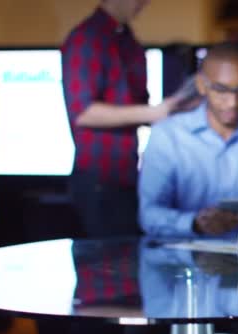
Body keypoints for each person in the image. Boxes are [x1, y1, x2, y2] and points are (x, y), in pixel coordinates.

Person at [138, 42, 238, 238]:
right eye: (221, 90)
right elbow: (149, 215)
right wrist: (194, 223)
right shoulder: (168, 136)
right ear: (201, 85)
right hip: (185, 262)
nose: (232, 102)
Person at [61, 0, 178, 239]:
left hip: (128, 176)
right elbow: (83, 111)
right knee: (108, 265)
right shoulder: (87, 38)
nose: (145, 3)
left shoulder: (128, 41)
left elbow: (138, 107)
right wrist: (153, 113)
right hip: (99, 179)